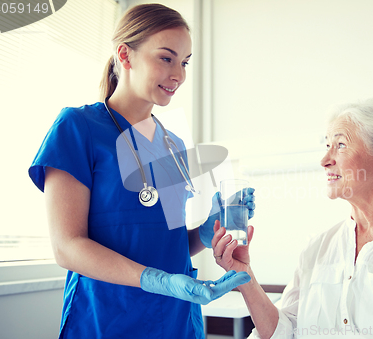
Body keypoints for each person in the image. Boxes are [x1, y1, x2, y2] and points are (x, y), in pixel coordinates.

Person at [28, 4, 254, 338]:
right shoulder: (77, 128)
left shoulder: (172, 143)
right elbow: (67, 246)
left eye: (185, 62)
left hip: (176, 318)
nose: (179, 74)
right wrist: (156, 280)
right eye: (166, 58)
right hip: (107, 317)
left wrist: (205, 233)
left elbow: (165, 242)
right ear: (125, 54)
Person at [212, 98, 373, 338]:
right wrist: (244, 276)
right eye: (327, 146)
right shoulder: (317, 247)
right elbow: (285, 331)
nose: (325, 160)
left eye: (340, 145)